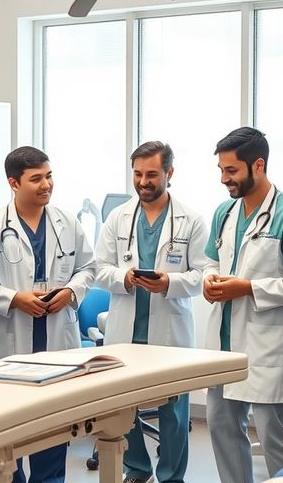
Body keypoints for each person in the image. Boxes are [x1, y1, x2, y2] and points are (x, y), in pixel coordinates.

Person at [0, 146, 97, 483]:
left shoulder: (66, 221)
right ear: (14, 182)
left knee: (54, 430)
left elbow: (88, 267)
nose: (46, 185)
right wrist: (13, 299)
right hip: (9, 341)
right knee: (7, 434)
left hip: (56, 337)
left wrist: (71, 292)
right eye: (36, 179)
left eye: (49, 176)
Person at [201, 127, 283, 481]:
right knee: (222, 427)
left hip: (268, 347)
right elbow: (211, 260)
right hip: (225, 344)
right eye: (221, 170)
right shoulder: (224, 213)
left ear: (258, 165)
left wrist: (249, 288)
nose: (224, 179)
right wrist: (210, 280)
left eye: (231, 170)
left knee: (272, 435)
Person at [93, 142, 208, 483]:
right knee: (122, 407)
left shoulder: (191, 220)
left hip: (169, 332)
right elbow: (99, 267)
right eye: (138, 174)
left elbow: (202, 274)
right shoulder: (119, 217)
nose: (143, 181)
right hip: (126, 331)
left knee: (173, 411)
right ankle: (137, 469)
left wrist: (169, 282)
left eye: (152, 174)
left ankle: (172, 476)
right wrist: (123, 278)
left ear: (169, 174)